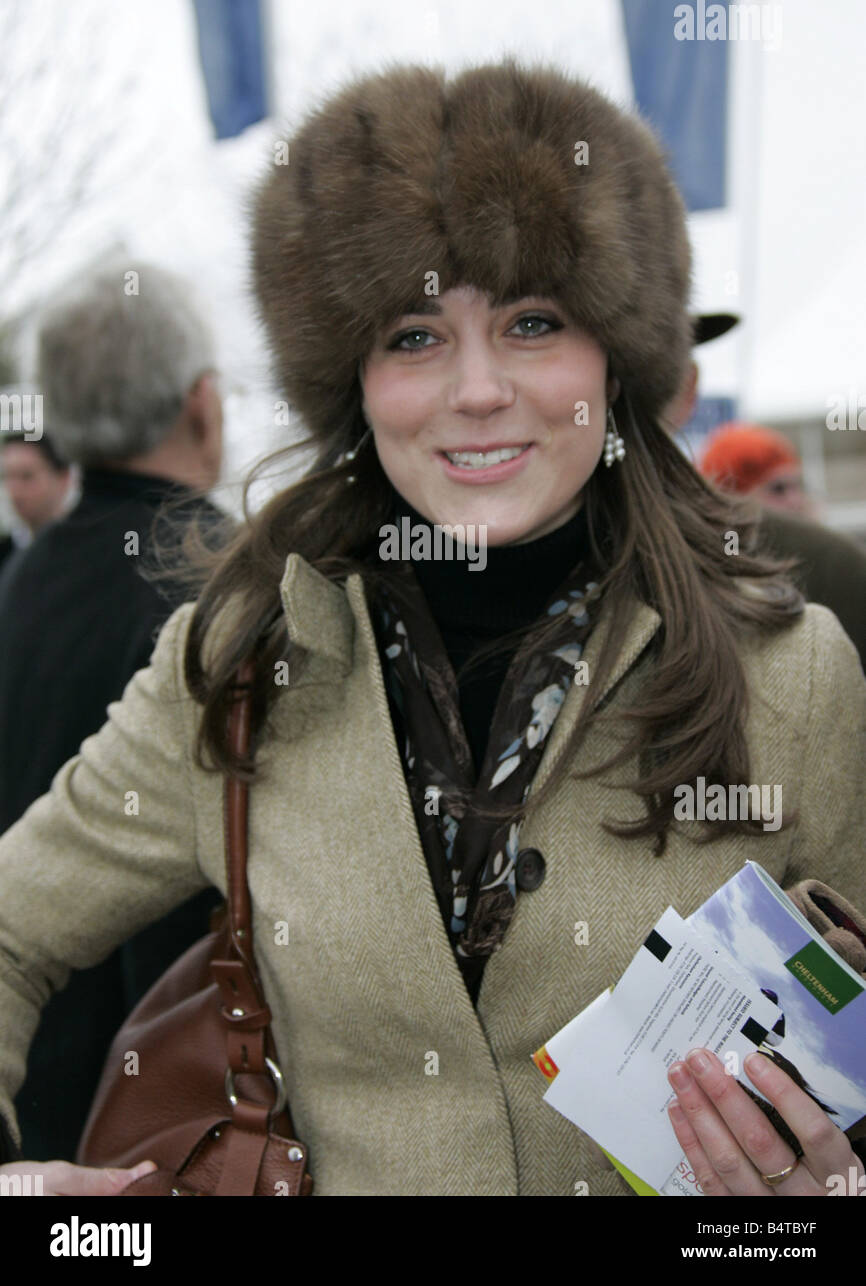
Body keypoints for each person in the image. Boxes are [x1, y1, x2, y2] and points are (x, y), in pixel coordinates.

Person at [0, 60, 863, 1198]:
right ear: (348, 378)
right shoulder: (237, 664)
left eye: (531, 321)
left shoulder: (792, 678)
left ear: (617, 356)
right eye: (413, 334)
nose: (475, 389)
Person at [0, 260, 226, 1161]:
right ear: (204, 405)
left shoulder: (21, 581)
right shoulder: (231, 589)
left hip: (35, 1104)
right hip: (170, 1124)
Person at [666, 358, 866, 670]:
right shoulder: (703, 576)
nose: (795, 499)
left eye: (797, 485)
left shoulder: (832, 563)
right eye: (777, 489)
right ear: (731, 499)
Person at [0, 432, 73, 575]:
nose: (15, 491)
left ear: (64, 478)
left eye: (27, 476)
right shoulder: (6, 556)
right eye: (7, 477)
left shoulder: (86, 549)